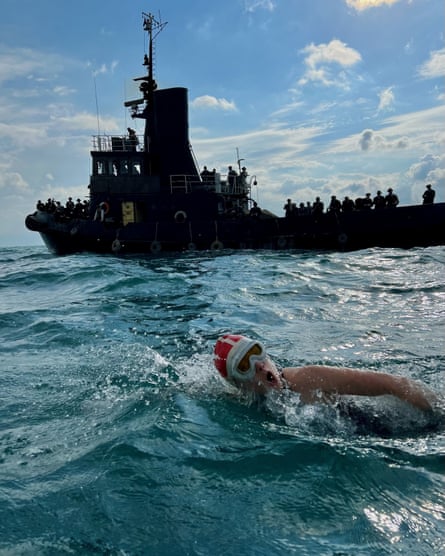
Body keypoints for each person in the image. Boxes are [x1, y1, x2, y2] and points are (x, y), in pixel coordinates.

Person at [213, 334, 438, 412]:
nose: (259, 365)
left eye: (256, 352)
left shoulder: (306, 378)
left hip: (387, 427)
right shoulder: (251, 401)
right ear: (239, 384)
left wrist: (438, 412)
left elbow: (393, 383)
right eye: (244, 366)